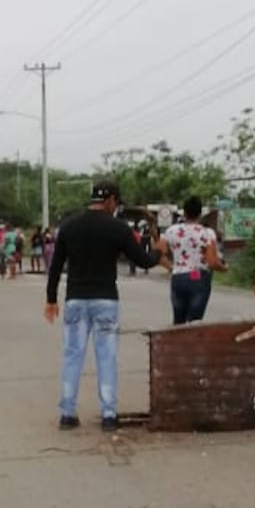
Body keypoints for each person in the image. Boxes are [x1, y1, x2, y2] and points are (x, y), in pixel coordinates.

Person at [45, 181, 158, 430]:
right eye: (115, 202)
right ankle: (108, 415)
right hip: (105, 300)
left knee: (72, 356)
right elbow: (143, 261)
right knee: (106, 357)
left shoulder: (69, 227)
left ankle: (67, 413)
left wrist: (51, 299)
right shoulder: (117, 228)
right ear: (110, 200)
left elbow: (55, 266)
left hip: (75, 299)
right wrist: (158, 252)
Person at [161, 197, 227, 325]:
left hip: (178, 278)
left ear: (184, 213)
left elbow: (158, 253)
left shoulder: (172, 231)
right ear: (200, 213)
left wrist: (171, 267)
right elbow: (212, 262)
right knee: (194, 323)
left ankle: (177, 343)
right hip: (198, 278)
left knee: (178, 322)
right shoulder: (207, 233)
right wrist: (224, 268)